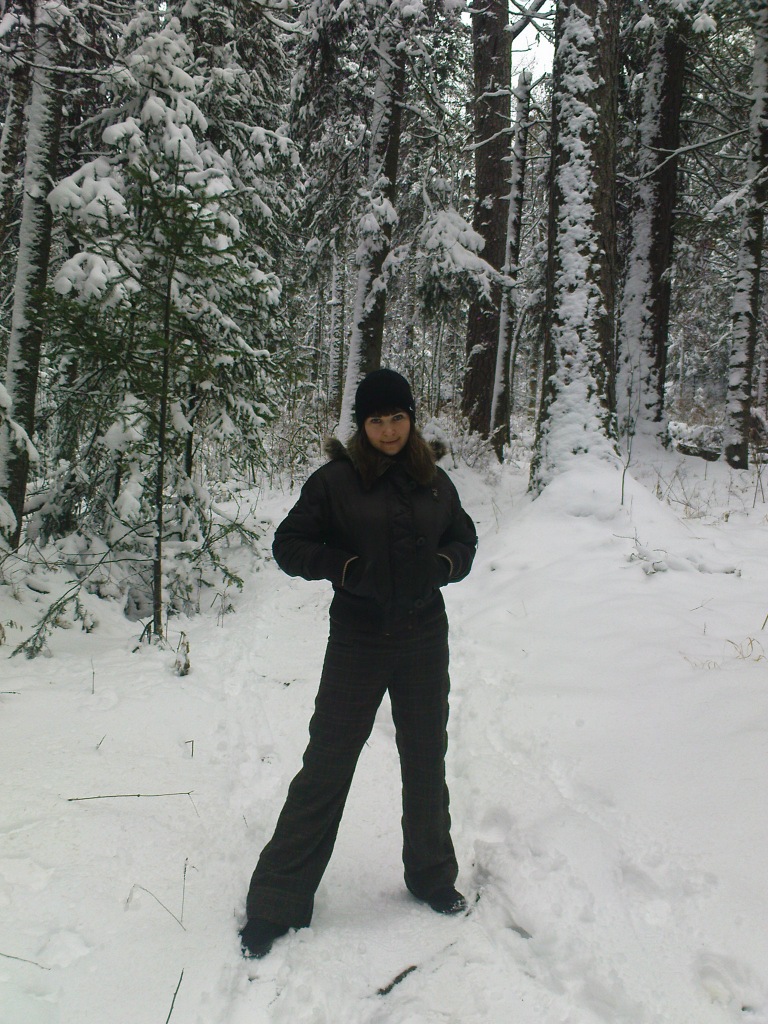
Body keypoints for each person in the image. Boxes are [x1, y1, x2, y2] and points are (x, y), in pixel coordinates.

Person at [240, 368, 477, 958]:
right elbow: (289, 545)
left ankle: (432, 877)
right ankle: (277, 902)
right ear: (361, 425)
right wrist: (342, 568)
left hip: (424, 637)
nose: (389, 430)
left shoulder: (434, 481)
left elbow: (464, 540)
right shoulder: (336, 482)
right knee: (328, 762)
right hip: (359, 638)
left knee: (425, 757)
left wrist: (444, 565)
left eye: (398, 418)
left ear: (411, 420)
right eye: (376, 420)